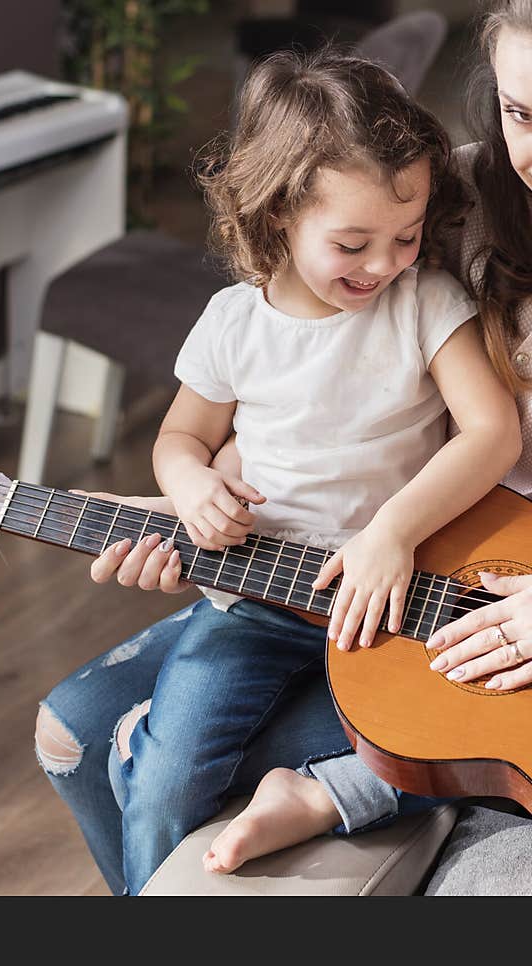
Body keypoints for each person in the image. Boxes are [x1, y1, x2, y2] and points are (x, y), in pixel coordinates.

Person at [35, 45, 521, 896]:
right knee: (163, 775)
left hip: (397, 591)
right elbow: (180, 439)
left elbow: (491, 436)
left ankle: (323, 797)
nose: (386, 263)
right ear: (276, 218)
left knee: (450, 741)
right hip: (254, 601)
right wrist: (189, 490)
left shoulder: (427, 301)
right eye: (352, 243)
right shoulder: (230, 325)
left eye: (408, 235)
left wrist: (392, 533)